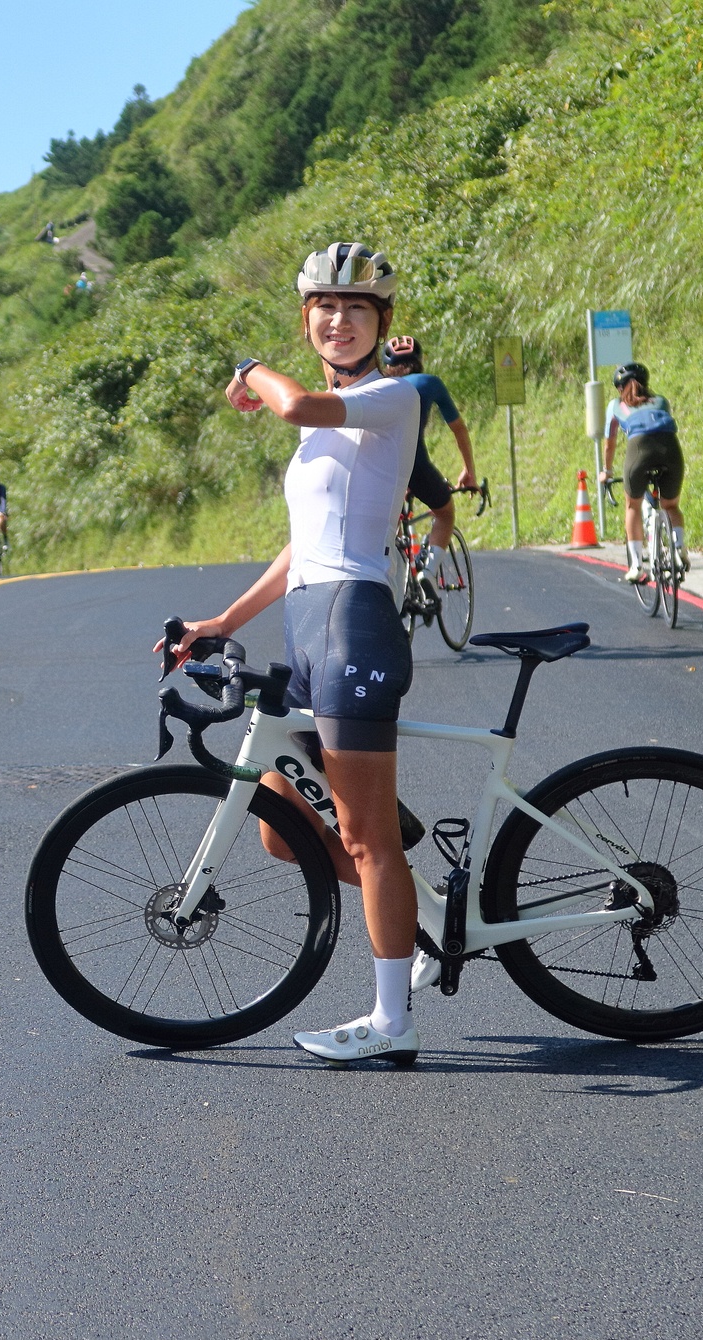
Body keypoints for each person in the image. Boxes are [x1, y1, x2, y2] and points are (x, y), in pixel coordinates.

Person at [169, 241, 430, 1066]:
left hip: (355, 626)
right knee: (283, 831)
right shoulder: (330, 424)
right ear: (307, 318)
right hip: (308, 621)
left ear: (383, 322)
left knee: (368, 837)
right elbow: (302, 549)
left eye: (356, 308)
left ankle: (393, 1020)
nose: (338, 320)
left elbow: (295, 407)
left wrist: (249, 369)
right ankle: (425, 922)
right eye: (324, 306)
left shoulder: (391, 397)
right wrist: (222, 619)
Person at [380, 336, 479, 578]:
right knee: (445, 514)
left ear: (387, 366)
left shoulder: (375, 388)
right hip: (416, 466)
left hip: (377, 468)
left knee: (386, 528)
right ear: (420, 360)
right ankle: (428, 573)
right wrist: (469, 470)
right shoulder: (429, 382)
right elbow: (459, 429)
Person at [600, 362, 686, 582]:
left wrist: (606, 471)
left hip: (638, 452)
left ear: (620, 388)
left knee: (633, 506)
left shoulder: (615, 406)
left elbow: (609, 444)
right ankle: (678, 549)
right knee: (671, 506)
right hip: (671, 450)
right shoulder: (661, 401)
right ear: (646, 383)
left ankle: (637, 565)